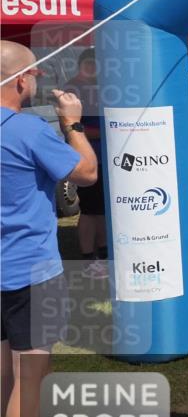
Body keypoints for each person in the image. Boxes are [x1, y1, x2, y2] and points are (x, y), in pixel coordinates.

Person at [2, 40, 98, 417]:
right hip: (30, 270)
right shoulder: (27, 129)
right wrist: (73, 123)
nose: (38, 81)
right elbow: (87, 171)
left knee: (4, 374)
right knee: (31, 378)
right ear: (20, 80)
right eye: (35, 75)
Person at [63, 48, 108, 279]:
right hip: (87, 159)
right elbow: (71, 127)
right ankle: (89, 259)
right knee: (90, 211)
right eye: (92, 64)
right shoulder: (73, 90)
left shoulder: (96, 88)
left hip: (104, 159)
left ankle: (103, 254)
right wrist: (108, 131)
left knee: (101, 210)